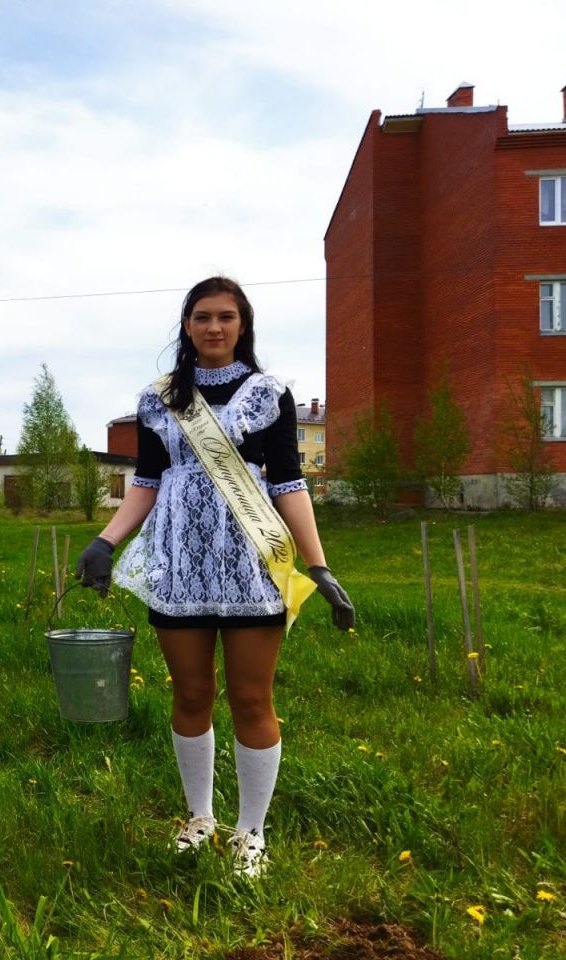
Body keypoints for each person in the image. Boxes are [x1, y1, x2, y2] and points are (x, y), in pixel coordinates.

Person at [75, 276, 355, 878]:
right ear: (187, 325)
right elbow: (147, 484)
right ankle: (200, 817)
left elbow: (288, 484)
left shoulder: (269, 394)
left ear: (242, 325)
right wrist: (105, 540)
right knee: (192, 693)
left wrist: (318, 565)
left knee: (252, 696)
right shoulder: (160, 399)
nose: (214, 327)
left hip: (253, 564)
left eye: (226, 317)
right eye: (202, 317)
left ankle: (251, 832)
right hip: (179, 565)